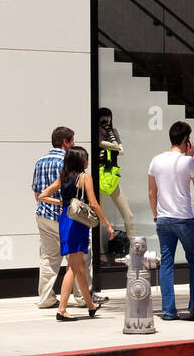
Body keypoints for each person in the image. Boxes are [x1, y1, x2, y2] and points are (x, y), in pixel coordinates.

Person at [35, 146, 114, 320]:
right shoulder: (85, 177)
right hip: (78, 223)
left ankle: (91, 305)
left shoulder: (63, 177)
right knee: (73, 266)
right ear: (80, 160)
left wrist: (60, 202)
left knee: (79, 267)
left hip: (65, 219)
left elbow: (41, 196)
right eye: (86, 158)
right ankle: (62, 310)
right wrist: (107, 224)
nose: (88, 161)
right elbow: (93, 203)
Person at [148, 121, 194, 321]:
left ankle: (168, 311)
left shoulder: (155, 160)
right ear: (186, 140)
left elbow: (152, 192)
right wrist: (191, 158)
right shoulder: (187, 161)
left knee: (166, 264)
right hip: (183, 219)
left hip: (163, 219)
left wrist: (156, 215)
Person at [32, 126, 88, 309]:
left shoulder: (40, 161)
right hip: (65, 216)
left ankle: (46, 298)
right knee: (79, 257)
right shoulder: (67, 161)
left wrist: (47, 204)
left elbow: (37, 192)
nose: (73, 144)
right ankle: (82, 297)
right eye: (72, 141)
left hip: (43, 215)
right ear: (65, 142)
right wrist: (60, 205)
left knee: (48, 258)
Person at [97, 107, 135, 242]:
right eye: (103, 118)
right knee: (96, 216)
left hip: (112, 177)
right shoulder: (95, 133)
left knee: (128, 215)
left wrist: (110, 134)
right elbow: (101, 143)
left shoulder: (113, 132)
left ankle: (134, 248)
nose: (106, 120)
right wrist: (115, 145)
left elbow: (122, 151)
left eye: (108, 117)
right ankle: (97, 252)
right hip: (97, 177)